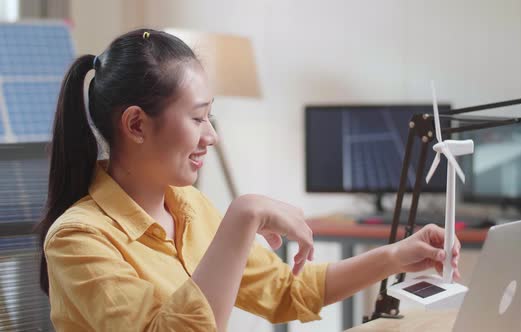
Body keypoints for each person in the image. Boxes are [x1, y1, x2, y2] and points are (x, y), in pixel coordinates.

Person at [37, 28, 461, 332]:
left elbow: (287, 292)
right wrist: (243, 216)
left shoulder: (188, 207)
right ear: (135, 124)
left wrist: (396, 257)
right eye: (198, 118)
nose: (212, 136)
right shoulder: (77, 240)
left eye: (211, 117)